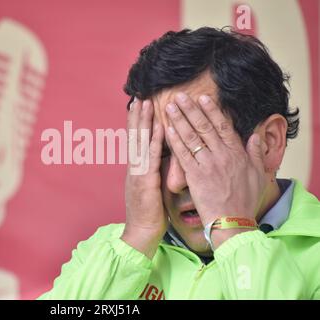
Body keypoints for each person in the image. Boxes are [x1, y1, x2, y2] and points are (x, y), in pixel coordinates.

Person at [38, 27, 320, 299]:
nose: (175, 181)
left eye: (197, 148)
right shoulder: (109, 248)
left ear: (270, 141)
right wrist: (137, 241)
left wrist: (235, 232)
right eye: (159, 154)